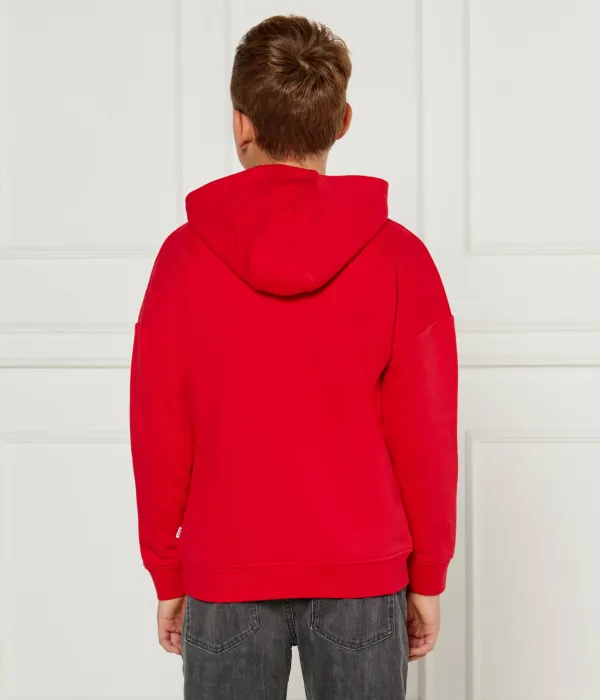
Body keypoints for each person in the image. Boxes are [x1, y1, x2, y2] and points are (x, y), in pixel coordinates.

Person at [130, 14, 458, 700]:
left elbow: (158, 425)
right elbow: (426, 431)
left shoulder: (183, 258)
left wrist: (167, 569)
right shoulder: (399, 257)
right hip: (362, 576)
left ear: (240, 124)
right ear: (342, 122)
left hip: (225, 573)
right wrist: (427, 574)